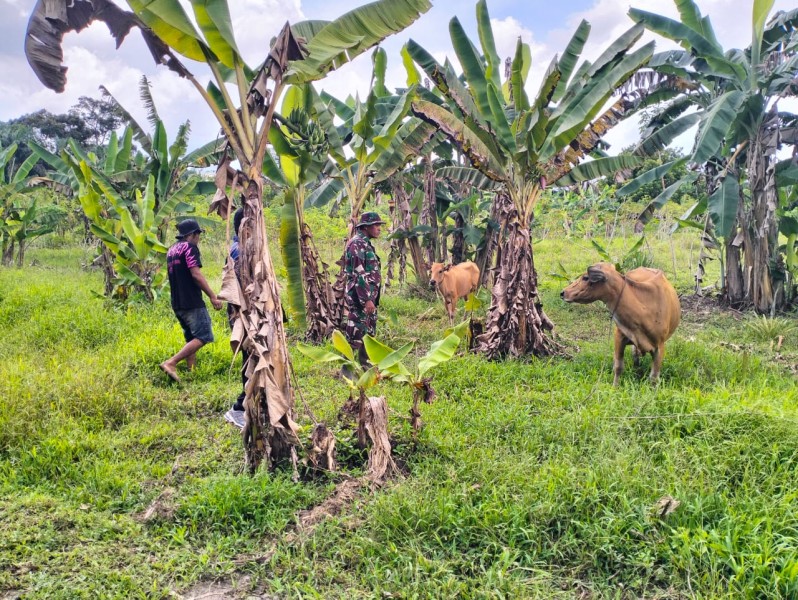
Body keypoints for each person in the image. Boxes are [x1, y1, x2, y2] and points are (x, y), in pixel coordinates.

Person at [160, 218, 223, 382]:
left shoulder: (172, 250)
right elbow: (196, 274)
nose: (199, 238)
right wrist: (212, 296)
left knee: (191, 338)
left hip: (177, 302)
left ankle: (191, 371)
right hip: (191, 300)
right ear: (193, 234)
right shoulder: (190, 248)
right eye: (198, 234)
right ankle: (171, 362)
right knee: (203, 336)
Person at [343, 211, 385, 372]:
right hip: (360, 298)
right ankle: (347, 370)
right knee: (355, 332)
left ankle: (365, 366)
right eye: (376, 225)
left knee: (367, 332)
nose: (379, 229)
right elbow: (358, 273)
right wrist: (366, 299)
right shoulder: (357, 244)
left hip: (369, 298)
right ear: (366, 227)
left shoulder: (365, 243)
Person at [224, 208, 247, 429]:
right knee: (250, 357)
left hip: (248, 314)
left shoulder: (242, 248)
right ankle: (241, 406)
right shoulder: (239, 251)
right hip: (244, 315)